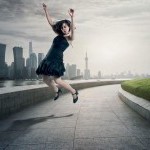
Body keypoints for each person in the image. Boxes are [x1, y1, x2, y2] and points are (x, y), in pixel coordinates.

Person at [36, 3, 78, 103]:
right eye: (62, 27)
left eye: (65, 27)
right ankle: (56, 90)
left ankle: (73, 91)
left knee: (57, 80)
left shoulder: (70, 38)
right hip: (48, 58)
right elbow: (51, 23)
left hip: (56, 60)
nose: (64, 29)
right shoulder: (59, 34)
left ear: (69, 27)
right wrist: (46, 10)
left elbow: (72, 29)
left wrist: (72, 17)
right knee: (45, 79)